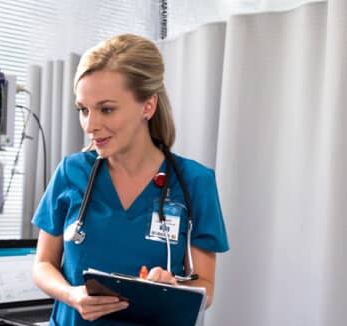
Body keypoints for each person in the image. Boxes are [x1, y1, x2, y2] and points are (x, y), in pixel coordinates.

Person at [31, 34, 229, 325]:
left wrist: (174, 287)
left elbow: (206, 289)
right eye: (83, 110)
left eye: (106, 109)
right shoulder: (71, 173)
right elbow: (43, 264)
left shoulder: (195, 182)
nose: (90, 125)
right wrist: (71, 295)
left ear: (147, 106)